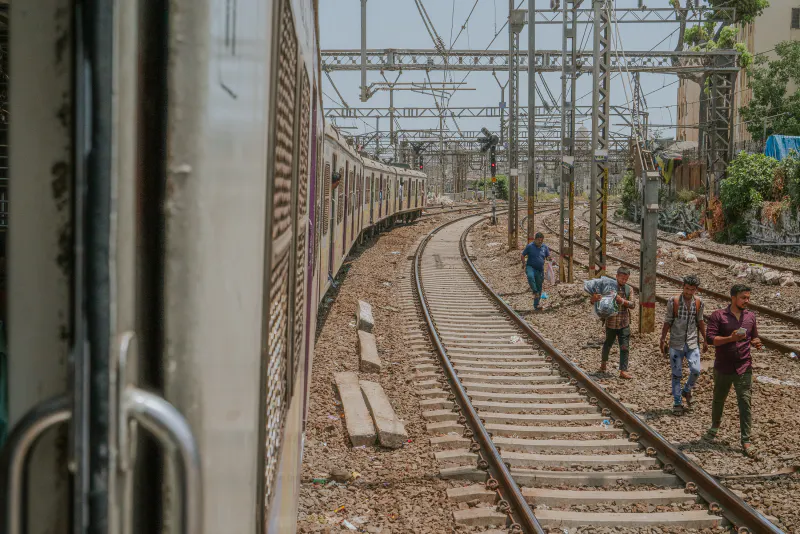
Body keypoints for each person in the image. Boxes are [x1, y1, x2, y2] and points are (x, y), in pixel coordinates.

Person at [704, 284, 762, 457]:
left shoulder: (750, 317)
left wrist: (755, 342)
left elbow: (754, 336)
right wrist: (731, 338)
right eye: (743, 297)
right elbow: (711, 340)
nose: (747, 301)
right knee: (718, 399)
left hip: (744, 366)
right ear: (733, 298)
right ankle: (714, 428)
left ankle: (746, 440)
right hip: (723, 366)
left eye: (748, 298)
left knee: (745, 402)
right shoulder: (718, 316)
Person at [659, 274, 708, 415]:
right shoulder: (673, 301)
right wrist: (662, 339)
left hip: (692, 342)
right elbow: (668, 321)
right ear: (683, 287)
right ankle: (677, 402)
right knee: (676, 374)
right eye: (687, 288)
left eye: (692, 289)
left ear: (696, 290)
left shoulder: (699, 303)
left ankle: (686, 390)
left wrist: (705, 339)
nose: (688, 292)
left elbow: (700, 321)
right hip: (676, 342)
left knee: (696, 370)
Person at [591, 266, 636, 379]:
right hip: (610, 323)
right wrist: (595, 299)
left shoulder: (628, 289)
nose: (623, 281)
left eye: (625, 279)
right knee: (607, 344)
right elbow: (594, 301)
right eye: (621, 278)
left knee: (625, 347)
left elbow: (633, 305)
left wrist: (622, 301)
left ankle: (623, 370)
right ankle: (603, 364)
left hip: (624, 323)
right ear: (616, 277)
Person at [521, 232, 551, 311]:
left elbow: (548, 256)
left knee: (539, 286)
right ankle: (535, 291)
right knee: (530, 276)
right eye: (538, 240)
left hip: (540, 269)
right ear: (535, 240)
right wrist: (524, 263)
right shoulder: (530, 246)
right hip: (530, 266)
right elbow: (523, 255)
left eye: (541, 240)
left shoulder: (545, 247)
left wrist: (550, 259)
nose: (540, 242)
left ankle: (536, 305)